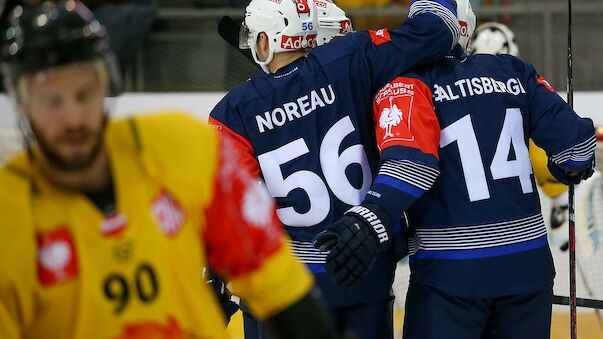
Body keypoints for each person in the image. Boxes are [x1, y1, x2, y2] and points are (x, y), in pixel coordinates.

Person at [0, 2, 344, 338]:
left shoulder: (186, 147)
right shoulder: (8, 216)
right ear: (22, 102)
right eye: (52, 102)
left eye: (84, 94)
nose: (73, 118)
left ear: (106, 85)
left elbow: (274, 280)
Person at [208, 0, 461, 337]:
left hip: (287, 290)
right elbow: (439, 30)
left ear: (266, 40)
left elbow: (231, 211)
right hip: (366, 272)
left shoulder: (232, 112)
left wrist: (217, 276)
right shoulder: (352, 59)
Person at [364, 2, 596, 337]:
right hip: (527, 270)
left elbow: (408, 167)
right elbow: (577, 152)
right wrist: (570, 171)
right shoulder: (515, 71)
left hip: (450, 276)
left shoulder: (407, 82)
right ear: (466, 29)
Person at [469, 21, 575, 252]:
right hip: (517, 224)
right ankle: (561, 203)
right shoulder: (521, 87)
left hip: (459, 220)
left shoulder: (448, 87)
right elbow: (555, 141)